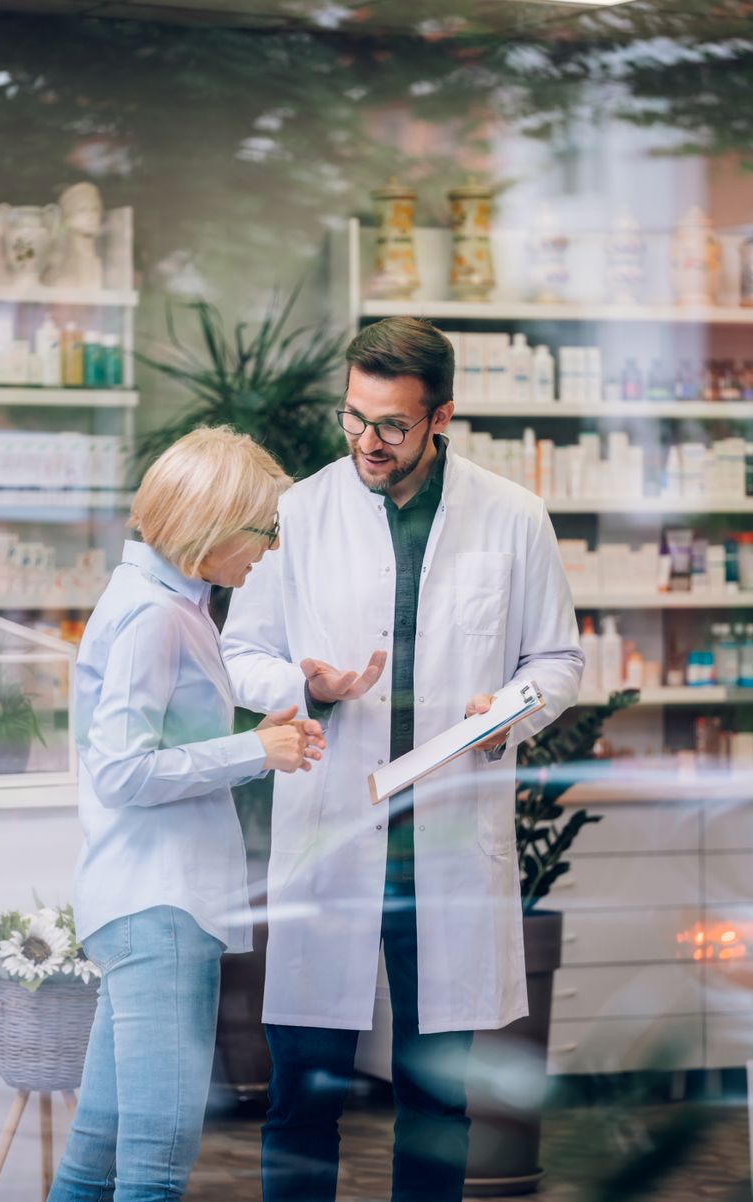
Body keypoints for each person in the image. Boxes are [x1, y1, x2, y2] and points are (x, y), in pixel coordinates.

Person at [221, 317, 584, 1202]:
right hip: (332, 835)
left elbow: (558, 662)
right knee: (302, 1096)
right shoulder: (300, 513)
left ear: (441, 417)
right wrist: (306, 685)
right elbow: (242, 651)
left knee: (436, 1096)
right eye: (354, 418)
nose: (367, 442)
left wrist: (510, 709)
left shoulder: (512, 515)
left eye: (391, 425)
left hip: (443, 844)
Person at [48, 426, 325, 1202]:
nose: (267, 552)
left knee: (93, 1157)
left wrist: (264, 734)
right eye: (263, 531)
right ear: (214, 523)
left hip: (141, 904)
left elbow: (153, 748)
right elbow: (122, 769)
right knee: (154, 1168)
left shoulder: (161, 603)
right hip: (160, 908)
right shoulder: (158, 617)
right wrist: (255, 753)